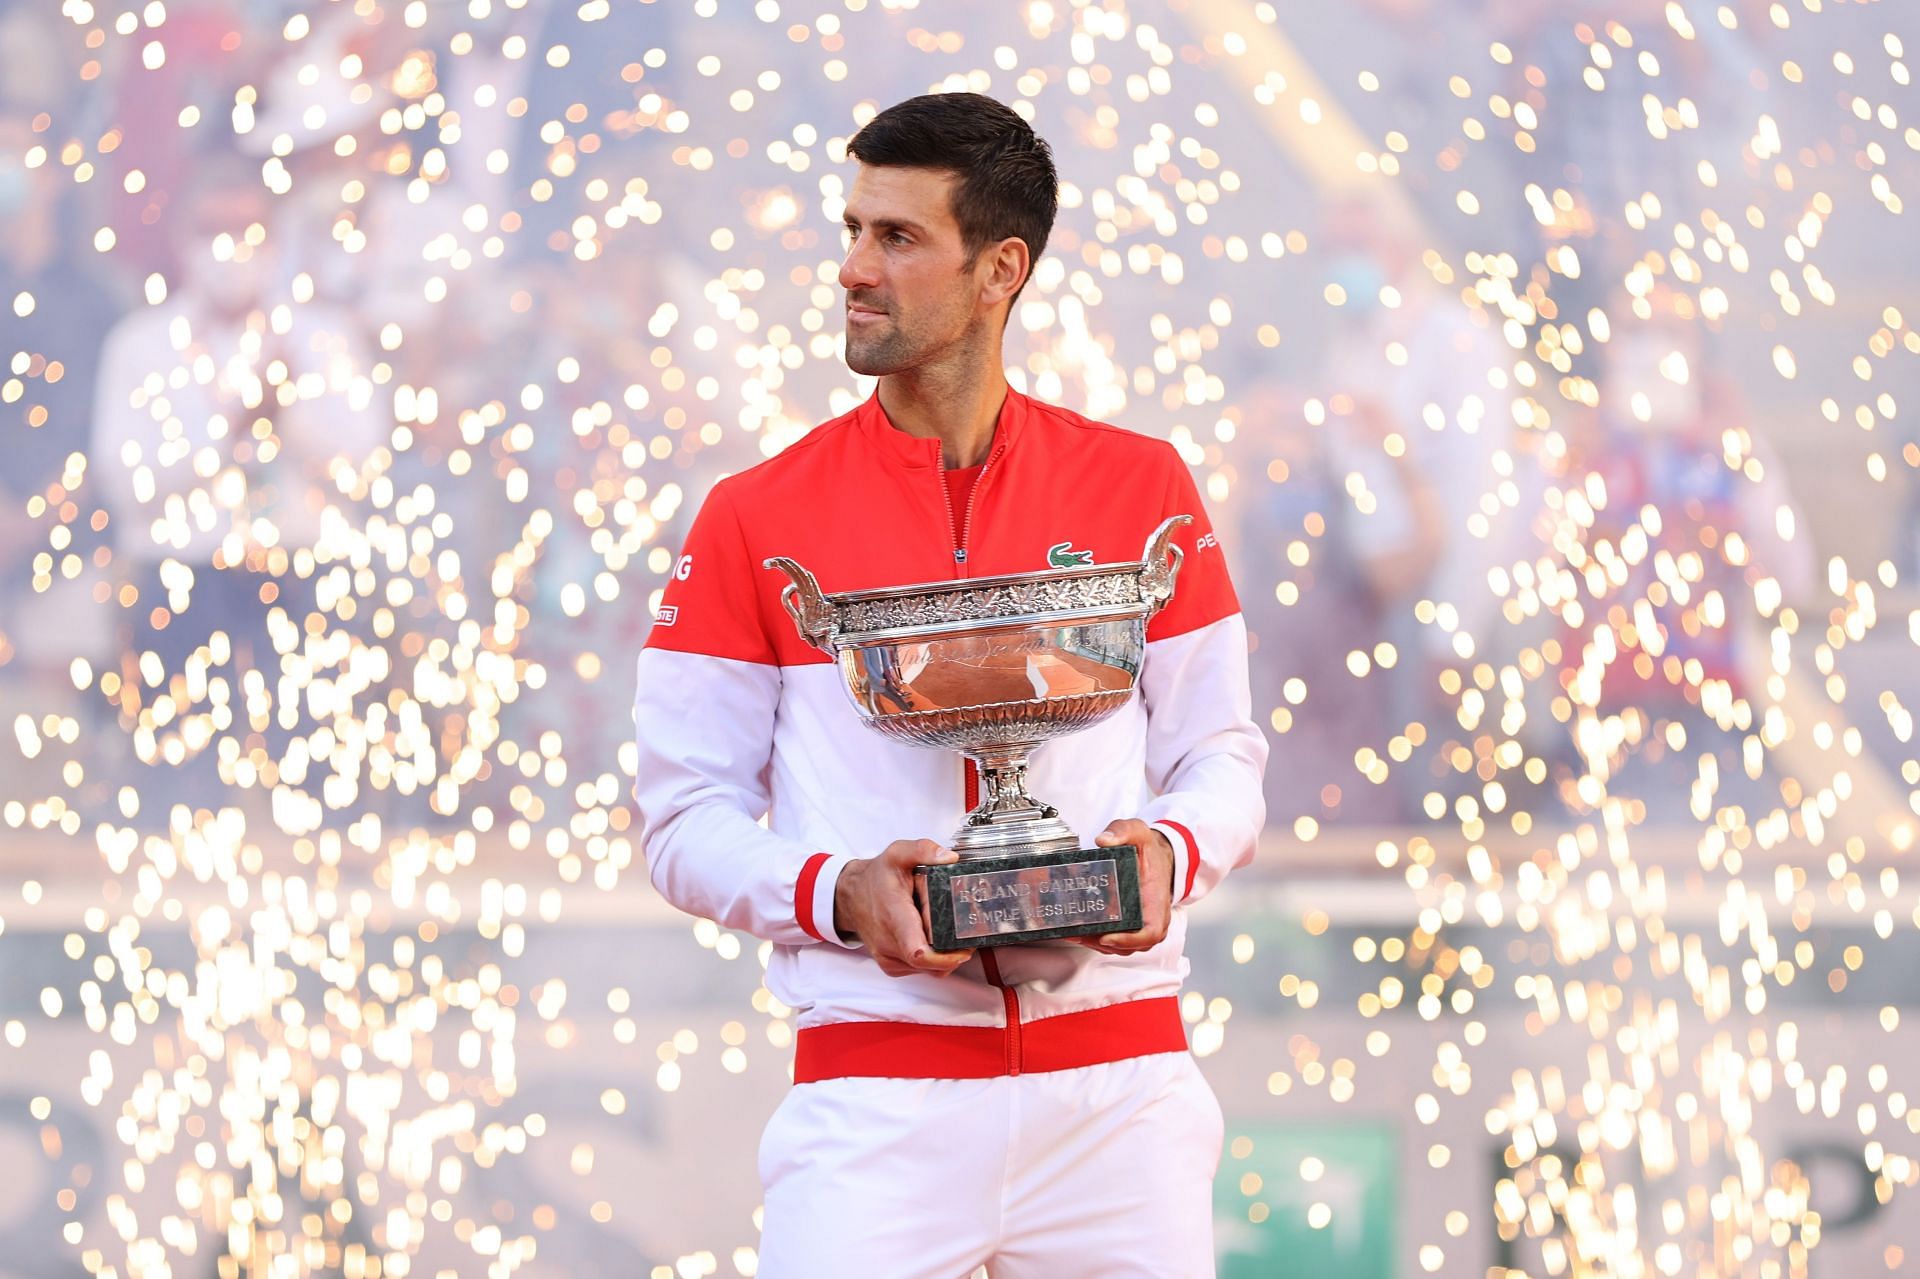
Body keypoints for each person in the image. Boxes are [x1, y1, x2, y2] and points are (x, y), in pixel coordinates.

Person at [631, 93, 1268, 1277]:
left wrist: (1163, 860)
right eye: (853, 228)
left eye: (897, 237)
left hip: (1119, 1095)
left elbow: (1223, 756)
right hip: (875, 1098)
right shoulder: (751, 517)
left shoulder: (1142, 485)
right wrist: (839, 890)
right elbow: (679, 821)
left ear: (1000, 270)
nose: (851, 269)